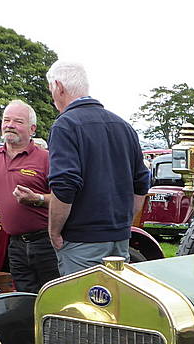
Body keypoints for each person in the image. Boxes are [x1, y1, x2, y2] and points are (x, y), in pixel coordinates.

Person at [44, 60, 150, 274]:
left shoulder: (65, 125)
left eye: (51, 89)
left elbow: (65, 184)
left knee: (82, 305)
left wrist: (54, 231)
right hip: (119, 239)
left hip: (82, 242)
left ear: (58, 86)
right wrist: (122, 223)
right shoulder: (124, 126)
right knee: (115, 304)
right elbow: (141, 182)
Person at [0, 99, 59, 293]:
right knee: (24, 301)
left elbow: (65, 200)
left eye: (18, 121)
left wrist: (38, 199)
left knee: (53, 298)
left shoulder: (47, 159)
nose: (9, 125)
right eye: (6, 120)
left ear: (32, 128)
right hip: (15, 246)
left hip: (47, 243)